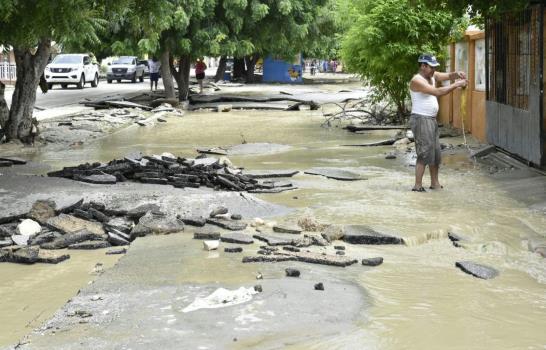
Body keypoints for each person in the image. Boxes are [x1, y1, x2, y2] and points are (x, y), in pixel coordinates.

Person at [409, 53, 467, 192]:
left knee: (435, 153)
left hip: (431, 119)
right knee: (424, 153)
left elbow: (446, 76)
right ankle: (417, 185)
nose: (434, 70)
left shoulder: (432, 76)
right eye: (431, 67)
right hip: (421, 119)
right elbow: (437, 92)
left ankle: (434, 183)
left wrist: (456, 74)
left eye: (435, 67)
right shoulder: (417, 80)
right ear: (423, 66)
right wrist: (456, 85)